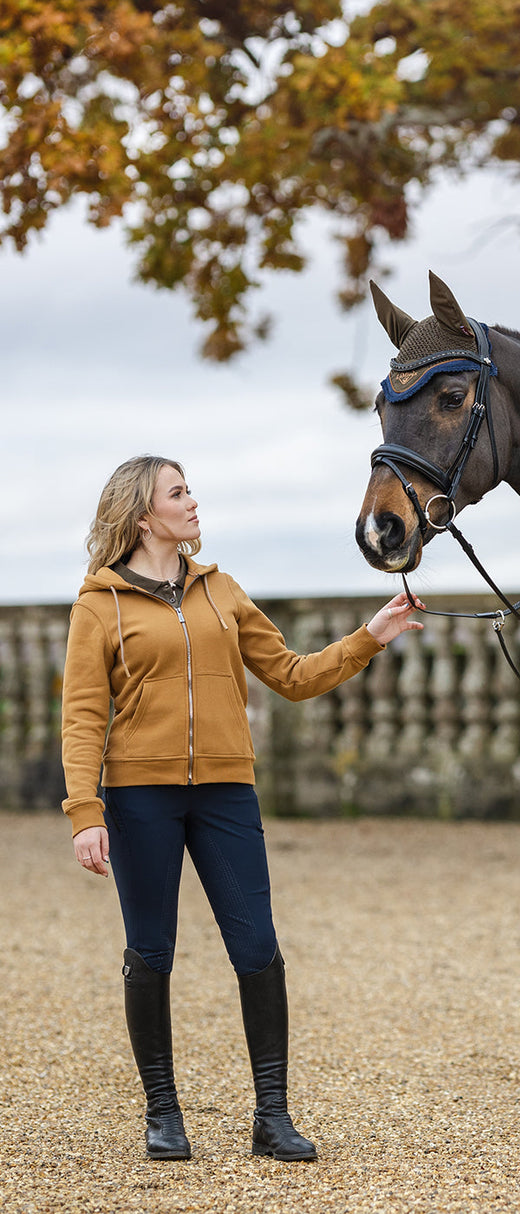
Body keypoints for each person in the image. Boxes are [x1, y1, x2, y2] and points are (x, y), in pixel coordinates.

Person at [61, 454, 422, 1163]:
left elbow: (290, 674)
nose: (193, 501)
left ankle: (272, 1115)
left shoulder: (221, 590)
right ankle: (163, 1114)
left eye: (189, 488)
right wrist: (85, 812)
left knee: (258, 949)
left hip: (227, 792)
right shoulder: (96, 605)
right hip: (140, 798)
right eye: (178, 492)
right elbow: (81, 717)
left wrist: (368, 638)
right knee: (151, 952)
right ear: (143, 515)